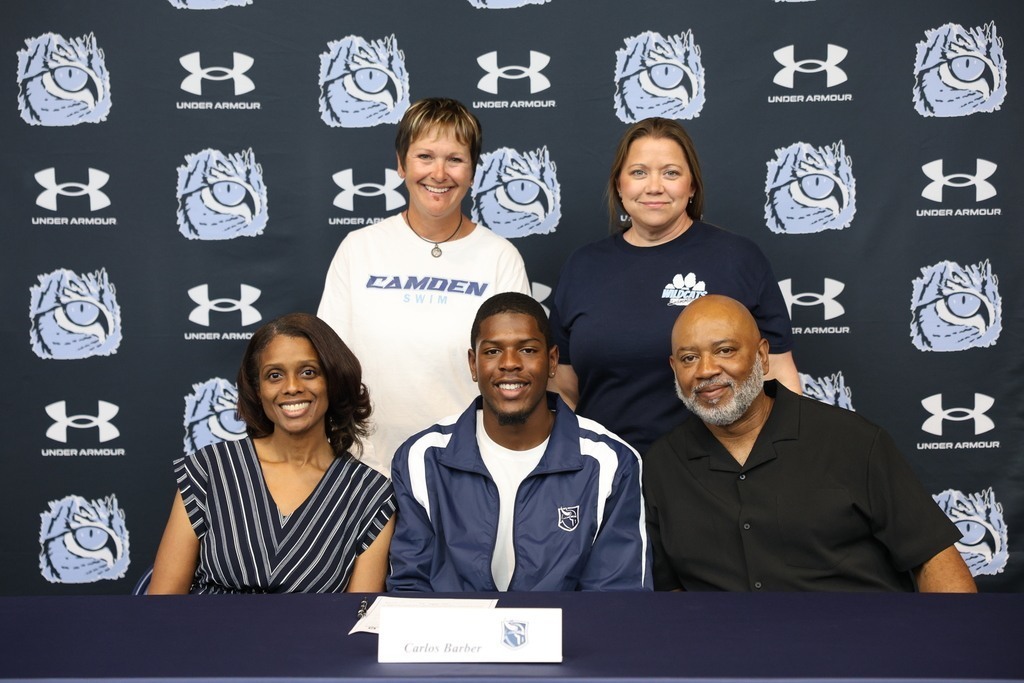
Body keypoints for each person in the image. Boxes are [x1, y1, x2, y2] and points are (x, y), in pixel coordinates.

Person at [644, 294, 977, 592]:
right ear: (674, 369)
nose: (705, 370)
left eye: (725, 350)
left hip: (859, 646)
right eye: (689, 358)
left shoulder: (853, 441)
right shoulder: (662, 465)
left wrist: (955, 647)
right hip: (731, 652)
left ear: (762, 356)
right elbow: (670, 591)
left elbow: (933, 560)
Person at [550, 117, 800, 455]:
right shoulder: (582, 266)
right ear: (619, 186)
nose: (654, 187)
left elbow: (779, 375)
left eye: (671, 173)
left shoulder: (737, 258)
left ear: (692, 186)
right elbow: (564, 387)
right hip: (605, 474)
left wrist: (785, 458)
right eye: (639, 172)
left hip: (716, 475)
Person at [318, 97, 530, 475]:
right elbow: (329, 363)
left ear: (473, 170)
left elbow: (514, 371)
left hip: (467, 471)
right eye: (425, 157)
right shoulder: (359, 249)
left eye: (455, 159)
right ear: (401, 164)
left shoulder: (500, 257)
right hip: (365, 468)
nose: (439, 173)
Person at [387, 292, 652, 591]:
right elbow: (410, 590)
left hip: (569, 637)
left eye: (526, 350)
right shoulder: (422, 459)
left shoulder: (611, 462)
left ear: (552, 361)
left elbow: (617, 597)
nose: (509, 363)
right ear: (473, 364)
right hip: (453, 637)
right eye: (492, 352)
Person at [149, 313, 395, 594]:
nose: (292, 387)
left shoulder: (370, 494)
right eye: (274, 375)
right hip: (204, 636)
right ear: (258, 389)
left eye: (308, 372)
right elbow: (161, 605)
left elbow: (357, 621)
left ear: (334, 380)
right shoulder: (209, 470)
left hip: (314, 639)